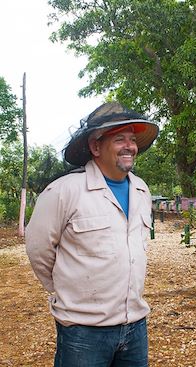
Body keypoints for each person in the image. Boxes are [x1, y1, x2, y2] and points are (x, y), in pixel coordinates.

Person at [25, 102, 159, 367]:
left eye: (132, 139)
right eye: (119, 139)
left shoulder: (142, 190)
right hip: (83, 331)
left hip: (135, 325)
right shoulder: (64, 191)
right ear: (96, 147)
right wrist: (65, 291)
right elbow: (38, 250)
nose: (129, 146)